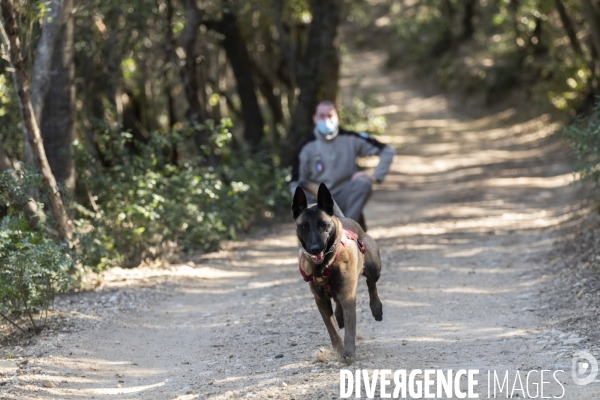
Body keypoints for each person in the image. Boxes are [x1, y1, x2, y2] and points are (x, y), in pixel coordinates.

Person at [290, 100, 395, 231]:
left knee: (363, 183)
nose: (326, 120)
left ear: (338, 119)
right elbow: (296, 183)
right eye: (322, 116)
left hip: (345, 196)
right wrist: (306, 208)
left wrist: (376, 176)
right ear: (315, 119)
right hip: (318, 200)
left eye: (330, 116)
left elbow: (387, 150)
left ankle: (348, 230)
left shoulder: (351, 138)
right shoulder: (305, 146)